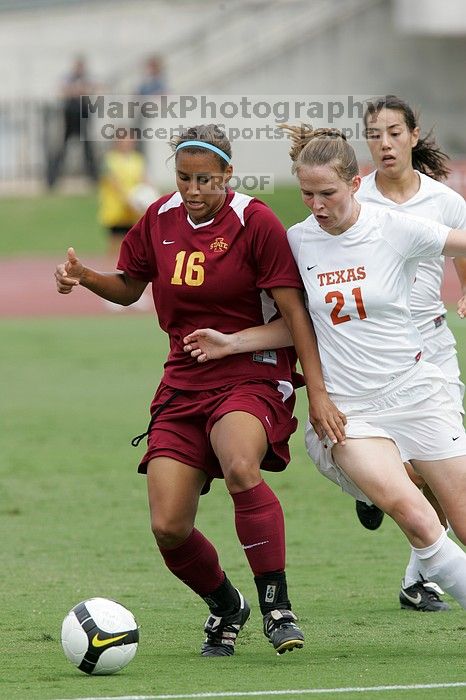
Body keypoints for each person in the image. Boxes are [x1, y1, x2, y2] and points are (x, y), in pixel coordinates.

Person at [54, 124, 345, 656]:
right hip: (183, 383)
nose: (192, 189)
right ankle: (225, 604)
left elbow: (296, 315)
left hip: (253, 374)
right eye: (184, 178)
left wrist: (318, 392)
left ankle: (277, 606)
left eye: (205, 180)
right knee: (168, 525)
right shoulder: (160, 217)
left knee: (238, 462)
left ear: (228, 175)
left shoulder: (255, 222)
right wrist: (85, 276)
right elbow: (129, 286)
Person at [183, 124, 466, 614]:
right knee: (416, 517)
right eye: (307, 193)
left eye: (327, 193)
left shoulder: (392, 227)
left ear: (355, 184)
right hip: (348, 412)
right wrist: (233, 342)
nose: (316, 205)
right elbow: (296, 325)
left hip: (418, 392)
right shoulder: (297, 242)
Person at [352, 95, 466, 611]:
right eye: (375, 134)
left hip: (434, 347)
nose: (385, 143)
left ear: (414, 136)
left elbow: (463, 270)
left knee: (444, 471)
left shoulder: (445, 201)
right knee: (413, 474)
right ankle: (375, 489)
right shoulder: (357, 200)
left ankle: (417, 578)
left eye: (394, 133)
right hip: (377, 354)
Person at [47, 56, 99, 188]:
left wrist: (79, 90)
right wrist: (76, 90)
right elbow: (63, 90)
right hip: (69, 118)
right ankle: (51, 180)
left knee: (88, 151)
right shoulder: (68, 78)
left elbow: (92, 90)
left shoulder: (88, 78)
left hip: (83, 119)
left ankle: (95, 179)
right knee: (61, 150)